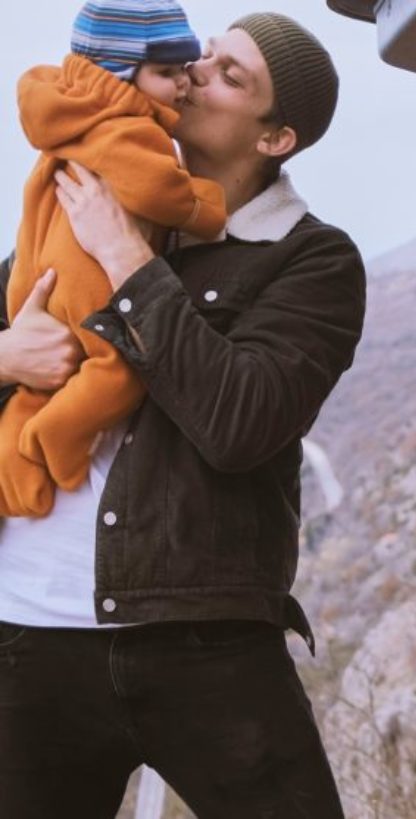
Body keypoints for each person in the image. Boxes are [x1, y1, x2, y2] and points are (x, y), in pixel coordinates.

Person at [0, 11, 364, 818]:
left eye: (232, 76)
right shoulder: (88, 195)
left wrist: (127, 259)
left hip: (207, 637)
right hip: (28, 629)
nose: (197, 72)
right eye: (206, 56)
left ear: (275, 138)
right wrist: (5, 355)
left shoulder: (312, 259)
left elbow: (240, 422)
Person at [0, 0, 226, 518]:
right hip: (86, 281)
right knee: (116, 370)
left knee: (37, 388)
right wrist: (208, 207)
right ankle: (52, 441)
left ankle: (14, 472)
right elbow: (159, 190)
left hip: (38, 277)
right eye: (167, 72)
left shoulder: (68, 112)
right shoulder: (130, 128)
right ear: (120, 74)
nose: (185, 83)